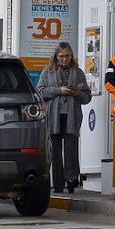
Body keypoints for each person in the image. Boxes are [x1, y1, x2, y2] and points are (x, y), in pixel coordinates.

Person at [36, 43, 92, 193]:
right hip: (53, 116)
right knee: (55, 150)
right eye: (61, 56)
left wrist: (77, 93)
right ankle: (58, 184)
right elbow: (40, 92)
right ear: (55, 57)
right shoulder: (47, 72)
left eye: (67, 55)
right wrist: (59, 90)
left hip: (71, 116)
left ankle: (72, 180)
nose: (64, 59)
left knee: (70, 150)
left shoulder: (78, 72)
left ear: (71, 56)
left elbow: (87, 97)